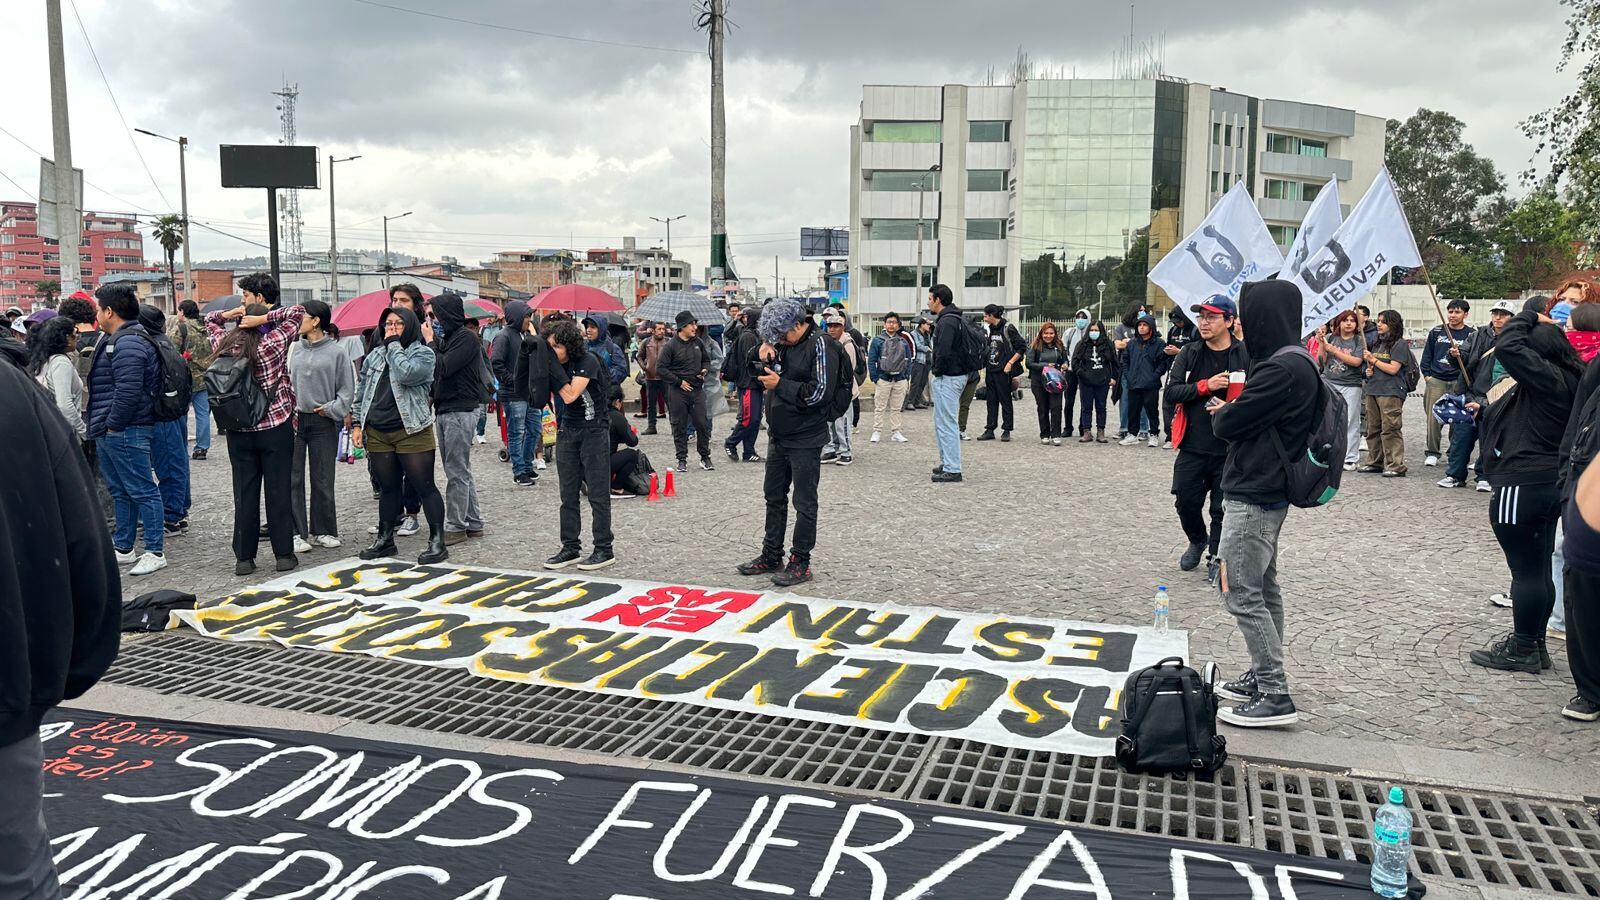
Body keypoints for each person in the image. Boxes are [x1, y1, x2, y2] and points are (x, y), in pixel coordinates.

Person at [0, 353, 120, 900]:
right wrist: (57, 672)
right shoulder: (12, 387)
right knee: (17, 871)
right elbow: (84, 539)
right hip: (6, 691)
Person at [1209, 280, 1319, 728]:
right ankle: (1261, 677)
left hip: (1254, 492)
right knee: (1264, 588)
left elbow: (1229, 422)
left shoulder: (1280, 370)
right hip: (1267, 490)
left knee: (1238, 590)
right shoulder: (1297, 360)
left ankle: (1275, 693)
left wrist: (1225, 412)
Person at [1470, 297, 1582, 675]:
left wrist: (1530, 316)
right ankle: (1533, 644)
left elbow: (1507, 344)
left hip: (1524, 480)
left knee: (1526, 572)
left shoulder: (1548, 377)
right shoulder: (1571, 376)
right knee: (1537, 568)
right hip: (1546, 480)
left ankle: (1522, 647)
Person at [738, 297, 840, 585]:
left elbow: (820, 393)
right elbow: (754, 372)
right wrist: (759, 353)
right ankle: (771, 555)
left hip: (806, 436)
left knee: (804, 502)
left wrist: (780, 385)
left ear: (799, 323)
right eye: (776, 336)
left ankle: (801, 561)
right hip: (778, 433)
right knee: (773, 496)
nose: (781, 339)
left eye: (783, 334)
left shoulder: (821, 344)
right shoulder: (782, 342)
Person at [206, 297, 306, 575]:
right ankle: (283, 555)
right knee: (279, 491)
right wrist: (264, 319)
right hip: (275, 427)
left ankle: (244, 559)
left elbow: (209, 321)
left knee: (244, 492)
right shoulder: (270, 344)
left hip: (238, 428)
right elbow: (298, 312)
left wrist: (230, 313)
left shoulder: (223, 345)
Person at [352, 307, 448, 566]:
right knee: (387, 488)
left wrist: (394, 345)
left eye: (398, 324)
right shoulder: (374, 356)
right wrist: (357, 423)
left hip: (412, 430)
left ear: (411, 327)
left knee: (424, 485)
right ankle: (385, 539)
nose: (391, 329)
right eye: (388, 324)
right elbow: (361, 390)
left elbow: (407, 374)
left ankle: (437, 540)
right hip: (378, 430)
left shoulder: (423, 353)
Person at [87, 283, 168, 576]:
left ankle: (155, 551)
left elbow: (129, 391)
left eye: (98, 308)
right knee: (121, 491)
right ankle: (124, 546)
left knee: (143, 490)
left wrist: (113, 425)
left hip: (126, 429)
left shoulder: (129, 342)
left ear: (109, 311)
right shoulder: (116, 338)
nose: (96, 313)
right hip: (113, 428)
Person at [1165, 297, 1249, 577]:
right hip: (1192, 445)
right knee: (1185, 501)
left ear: (1229, 321)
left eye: (1211, 317)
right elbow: (1172, 392)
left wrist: (1232, 408)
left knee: (1221, 508)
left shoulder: (1245, 355)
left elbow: (1256, 398)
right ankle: (1197, 540)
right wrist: (1205, 386)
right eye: (1201, 316)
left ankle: (1216, 555)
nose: (1203, 322)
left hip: (1229, 448)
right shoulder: (1189, 353)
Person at [537, 317, 616, 571]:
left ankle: (604, 548)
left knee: (597, 492)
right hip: (568, 430)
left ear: (569, 346)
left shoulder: (588, 361)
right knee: (567, 494)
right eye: (549, 348)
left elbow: (571, 395)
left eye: (556, 347)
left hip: (594, 430)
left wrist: (552, 370)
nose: (553, 353)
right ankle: (570, 547)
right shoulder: (558, 364)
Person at [287, 299, 352, 553]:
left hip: (323, 419)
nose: (298, 320)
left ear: (316, 320)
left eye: (302, 316)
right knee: (292, 478)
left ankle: (323, 529)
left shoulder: (337, 352)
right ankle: (295, 532)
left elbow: (347, 390)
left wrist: (331, 409)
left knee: (323, 477)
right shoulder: (294, 349)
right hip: (294, 419)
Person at [432, 293, 488, 546]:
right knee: (461, 469)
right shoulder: (449, 338)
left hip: (460, 410)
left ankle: (456, 525)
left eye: (436, 315)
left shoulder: (466, 337)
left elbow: (443, 367)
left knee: (456, 471)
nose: (433, 320)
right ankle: (474, 522)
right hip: (447, 409)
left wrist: (430, 342)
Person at [139, 304, 192, 536]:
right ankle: (179, 511)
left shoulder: (154, 347)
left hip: (163, 414)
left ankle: (171, 516)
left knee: (170, 465)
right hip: (174, 411)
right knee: (177, 462)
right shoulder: (165, 343)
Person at [490, 300, 552, 487]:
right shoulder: (503, 336)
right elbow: (497, 363)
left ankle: (526, 465)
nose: (529, 320)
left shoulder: (524, 335)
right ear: (516, 317)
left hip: (529, 393)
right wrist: (512, 379)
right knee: (516, 433)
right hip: (513, 394)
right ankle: (519, 471)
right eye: (526, 316)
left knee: (534, 430)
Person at [1357, 310, 1415, 477]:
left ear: (1393, 324)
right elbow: (1375, 367)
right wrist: (1369, 370)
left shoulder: (1399, 344)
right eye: (1378, 321)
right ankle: (1374, 461)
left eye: (1383, 322)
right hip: (1373, 389)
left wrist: (1373, 360)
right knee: (1372, 428)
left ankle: (1395, 464)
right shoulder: (1376, 342)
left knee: (1390, 428)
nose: (1379, 324)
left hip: (1390, 391)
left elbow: (1393, 368)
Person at [657, 310, 714, 471]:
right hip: (678, 391)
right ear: (682, 327)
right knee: (679, 425)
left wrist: (704, 370)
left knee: (702, 424)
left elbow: (706, 361)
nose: (695, 327)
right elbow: (661, 368)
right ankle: (681, 459)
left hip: (696, 390)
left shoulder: (698, 343)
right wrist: (678, 381)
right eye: (691, 324)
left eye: (695, 324)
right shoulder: (670, 346)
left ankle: (705, 457)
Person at [1420, 299, 1474, 467]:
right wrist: (1427, 376)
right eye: (1450, 311)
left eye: (1457, 312)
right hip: (1437, 379)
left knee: (1458, 418)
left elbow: (1472, 359)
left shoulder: (1471, 334)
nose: (1452, 315)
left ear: (1465, 314)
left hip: (1458, 381)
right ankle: (1432, 452)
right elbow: (1427, 354)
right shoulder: (1437, 331)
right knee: (1434, 417)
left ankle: (1454, 451)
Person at [1318, 310, 1366, 472]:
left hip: (1351, 384)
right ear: (1339, 323)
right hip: (1330, 382)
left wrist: (1334, 351)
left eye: (1352, 320)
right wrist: (1321, 345)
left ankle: (1351, 457)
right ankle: (1328, 453)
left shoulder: (1359, 341)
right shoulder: (1331, 338)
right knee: (1328, 420)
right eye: (1345, 320)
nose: (1349, 323)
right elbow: (1321, 361)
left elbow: (1356, 361)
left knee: (1351, 421)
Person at [928, 285, 968, 482]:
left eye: (930, 298)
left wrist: (936, 370)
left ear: (938, 300)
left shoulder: (947, 322)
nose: (928, 302)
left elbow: (942, 352)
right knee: (942, 421)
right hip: (955, 375)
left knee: (947, 423)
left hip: (949, 377)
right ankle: (947, 461)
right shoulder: (955, 318)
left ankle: (953, 468)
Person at [27, 316, 86, 442]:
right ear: (67, 338)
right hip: (65, 433)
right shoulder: (61, 362)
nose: (77, 339)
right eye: (74, 335)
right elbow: (65, 405)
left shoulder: (42, 360)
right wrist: (84, 432)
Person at [1118, 312, 1171, 447]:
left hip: (1150, 384)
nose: (1141, 327)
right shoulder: (1132, 343)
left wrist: (1154, 376)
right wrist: (1128, 375)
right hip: (1133, 382)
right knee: (1133, 409)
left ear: (1151, 327)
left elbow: (1162, 363)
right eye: (1139, 325)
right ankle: (1132, 434)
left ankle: (1153, 434)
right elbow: (1125, 360)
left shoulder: (1159, 343)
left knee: (1152, 410)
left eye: (1144, 325)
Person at [171, 300, 214, 460]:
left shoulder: (182, 329)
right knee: (203, 415)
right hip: (205, 378)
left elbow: (173, 353)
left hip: (186, 379)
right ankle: (202, 448)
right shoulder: (206, 328)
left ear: (182, 312)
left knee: (181, 414)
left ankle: (181, 447)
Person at [978, 304, 1026, 442]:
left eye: (986, 315)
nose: (984, 318)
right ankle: (990, 429)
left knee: (1005, 400)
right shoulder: (990, 330)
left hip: (1004, 371)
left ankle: (1007, 429)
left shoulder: (1007, 328)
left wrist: (1010, 363)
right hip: (991, 370)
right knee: (991, 401)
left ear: (992, 315)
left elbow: (1022, 347)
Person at [723, 306, 765, 462]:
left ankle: (749, 451)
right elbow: (751, 362)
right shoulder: (748, 336)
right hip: (748, 383)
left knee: (756, 418)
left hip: (755, 383)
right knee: (749, 418)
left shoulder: (754, 335)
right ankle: (731, 442)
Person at [867, 312, 915, 444]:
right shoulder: (877, 340)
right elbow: (871, 360)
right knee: (880, 406)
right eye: (889, 322)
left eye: (894, 322)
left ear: (898, 325)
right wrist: (874, 377)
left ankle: (896, 431)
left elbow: (908, 360)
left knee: (896, 408)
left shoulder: (903, 341)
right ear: (884, 324)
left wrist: (906, 376)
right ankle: (877, 431)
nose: (891, 324)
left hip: (900, 379)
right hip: (883, 378)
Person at [1072, 319, 1119, 442]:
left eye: (1096, 330)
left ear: (1101, 331)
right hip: (1086, 381)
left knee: (1101, 407)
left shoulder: (1108, 344)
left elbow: (1115, 362)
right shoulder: (1081, 345)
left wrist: (1113, 377)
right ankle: (1086, 431)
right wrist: (1081, 374)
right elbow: (1075, 362)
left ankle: (1100, 432)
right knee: (1086, 407)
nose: (1093, 332)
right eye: (1091, 330)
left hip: (1102, 381)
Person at [821, 311, 859, 464]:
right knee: (828, 422)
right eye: (830, 326)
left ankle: (846, 451)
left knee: (843, 423)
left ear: (843, 327)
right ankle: (831, 449)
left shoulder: (847, 344)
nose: (832, 329)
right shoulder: (827, 343)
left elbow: (849, 370)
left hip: (844, 390)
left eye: (836, 326)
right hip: (830, 390)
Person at [1026, 321, 1070, 445]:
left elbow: (1065, 359)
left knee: (1056, 407)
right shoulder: (1034, 346)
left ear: (1055, 334)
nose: (1048, 336)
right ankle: (1044, 434)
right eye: (1045, 333)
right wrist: (1045, 365)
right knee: (1043, 407)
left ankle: (1056, 434)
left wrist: (1065, 365)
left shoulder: (1060, 346)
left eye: (1051, 333)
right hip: (1039, 381)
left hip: (1055, 381)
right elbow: (1029, 364)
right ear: (1041, 333)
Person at [1161, 308, 1199, 447]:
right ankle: (1170, 435)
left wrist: (1179, 351)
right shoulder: (1173, 331)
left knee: (1186, 401)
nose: (1178, 324)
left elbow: (1198, 351)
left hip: (1190, 370)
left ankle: (1187, 432)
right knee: (1168, 402)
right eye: (1175, 322)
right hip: (1173, 369)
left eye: (1179, 321)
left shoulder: (1195, 330)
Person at [608, 386, 649, 496]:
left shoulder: (595, 412)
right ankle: (617, 487)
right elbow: (632, 441)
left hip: (585, 464)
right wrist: (630, 430)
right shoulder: (616, 416)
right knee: (632, 455)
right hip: (604, 463)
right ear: (617, 402)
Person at [637, 321, 669, 434]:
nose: (662, 331)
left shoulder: (668, 342)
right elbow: (639, 356)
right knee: (651, 404)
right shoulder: (647, 342)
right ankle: (651, 426)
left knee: (670, 403)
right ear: (653, 330)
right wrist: (645, 367)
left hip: (665, 378)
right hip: (650, 377)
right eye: (659, 329)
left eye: (663, 329)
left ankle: (675, 427)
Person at [1062, 309, 1090, 435]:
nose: (1080, 319)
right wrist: (1065, 363)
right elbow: (1063, 349)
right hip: (1071, 370)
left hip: (1086, 371)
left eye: (1083, 317)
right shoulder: (1070, 332)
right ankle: (1068, 428)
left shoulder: (1091, 333)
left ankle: (1083, 427)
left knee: (1085, 401)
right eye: (1078, 317)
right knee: (1069, 401)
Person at [582, 312, 629, 387]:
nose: (588, 330)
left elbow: (621, 372)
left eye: (593, 327)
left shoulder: (612, 348)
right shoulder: (583, 346)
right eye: (587, 327)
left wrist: (600, 374)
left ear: (601, 329)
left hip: (606, 393)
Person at [905, 318, 933, 411]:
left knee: (922, 382)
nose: (929, 326)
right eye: (927, 324)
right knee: (915, 382)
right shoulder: (914, 333)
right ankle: (910, 402)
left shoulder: (927, 334)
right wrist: (927, 348)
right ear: (922, 324)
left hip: (927, 360)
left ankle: (917, 401)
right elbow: (916, 345)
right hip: (918, 360)